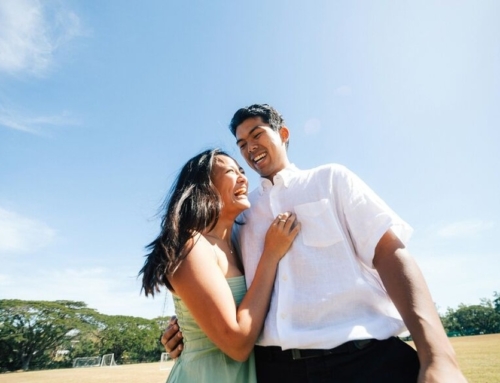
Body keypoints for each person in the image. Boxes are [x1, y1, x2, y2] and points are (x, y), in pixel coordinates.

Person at [162, 105, 467, 383]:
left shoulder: (331, 180)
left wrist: (439, 356)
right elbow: (221, 285)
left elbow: (391, 254)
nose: (249, 148)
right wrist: (190, 326)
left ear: (283, 134)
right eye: (241, 144)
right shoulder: (242, 213)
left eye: (257, 135)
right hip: (275, 371)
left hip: (365, 363)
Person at [140, 148, 300, 383]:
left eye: (242, 171)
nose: (243, 178)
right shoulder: (190, 244)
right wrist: (271, 254)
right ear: (205, 188)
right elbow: (237, 344)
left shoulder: (238, 242)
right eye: (231, 172)